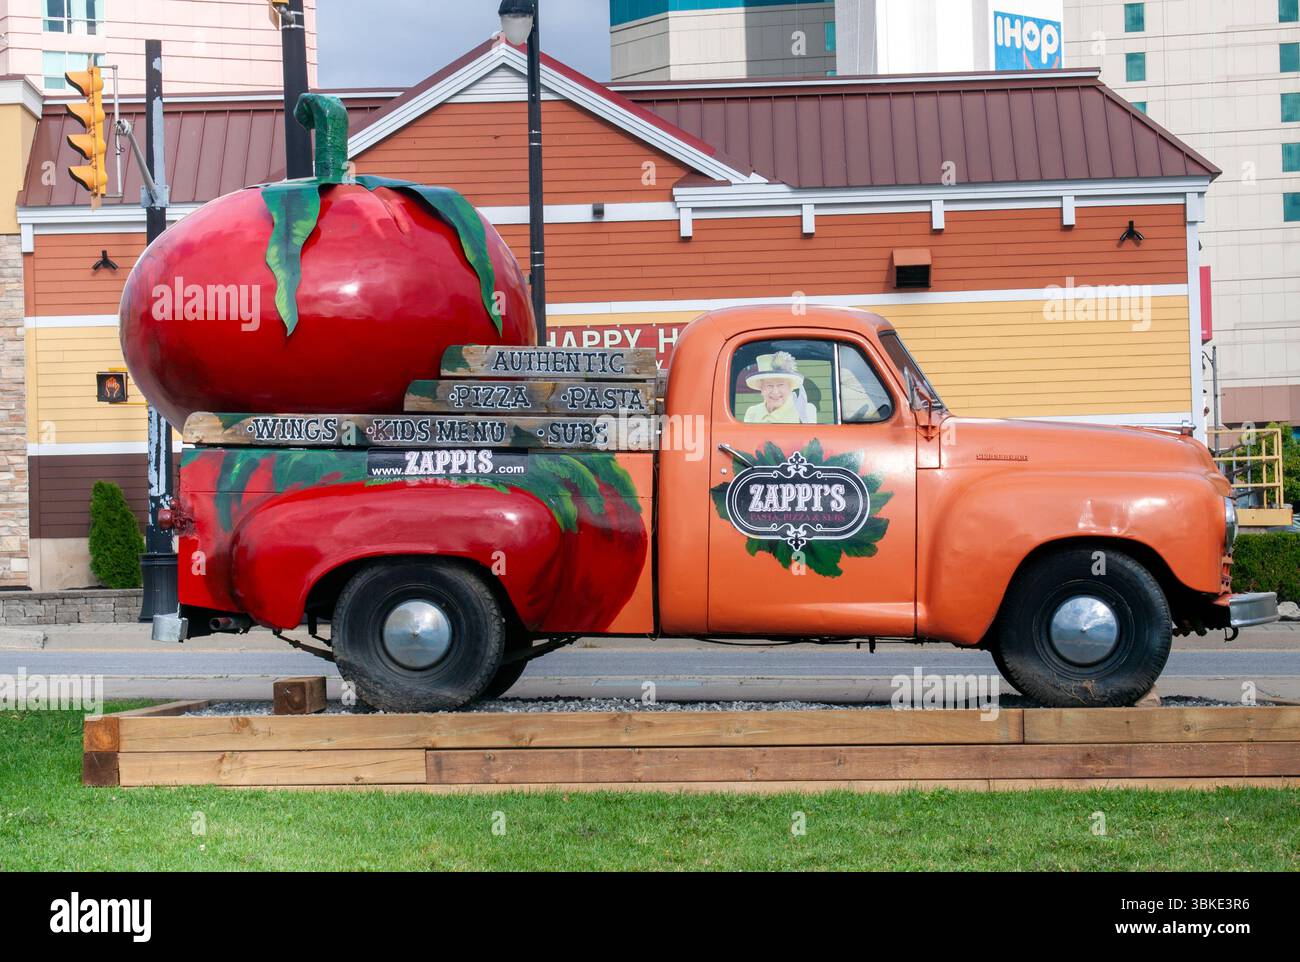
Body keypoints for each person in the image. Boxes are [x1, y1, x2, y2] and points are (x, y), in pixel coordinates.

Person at [743, 351, 818, 423]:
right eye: (769, 385)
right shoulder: (752, 412)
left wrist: (805, 421)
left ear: (790, 387)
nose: (775, 391)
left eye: (780, 385)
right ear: (761, 389)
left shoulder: (805, 410)